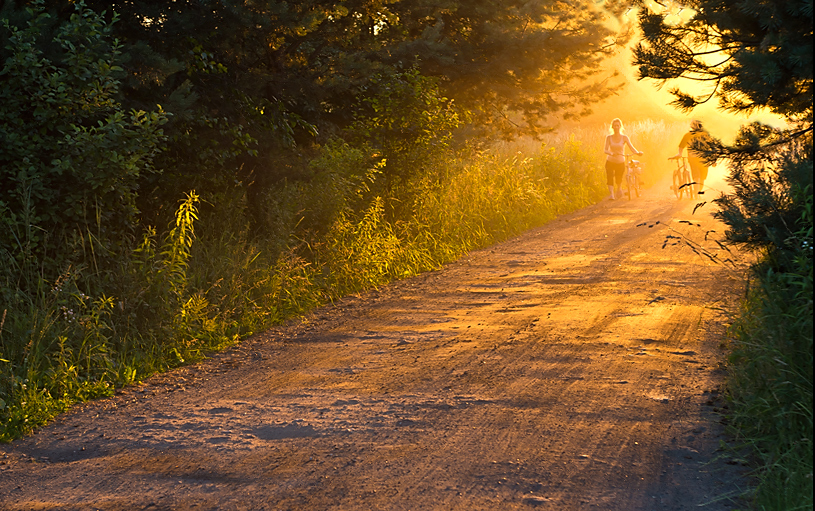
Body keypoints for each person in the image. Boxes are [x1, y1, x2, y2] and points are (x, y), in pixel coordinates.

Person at [604, 118, 643, 200]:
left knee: (619, 178)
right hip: (610, 161)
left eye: (618, 125)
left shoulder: (624, 137)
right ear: (612, 127)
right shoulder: (609, 137)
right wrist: (611, 153)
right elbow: (605, 150)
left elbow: (631, 147)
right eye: (614, 126)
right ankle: (611, 195)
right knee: (610, 177)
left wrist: (637, 153)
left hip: (620, 162)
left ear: (620, 126)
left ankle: (619, 189)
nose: (616, 127)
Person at [675, 120, 711, 196]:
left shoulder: (705, 135)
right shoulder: (688, 135)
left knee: (702, 178)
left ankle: (697, 192)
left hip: (703, 159)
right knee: (697, 177)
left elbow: (711, 147)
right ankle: (696, 194)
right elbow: (681, 146)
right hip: (694, 159)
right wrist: (680, 153)